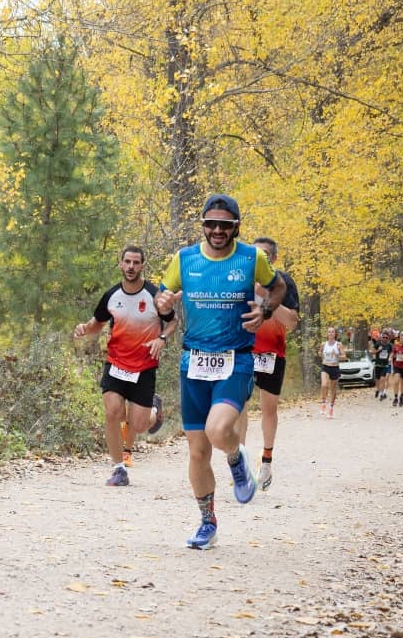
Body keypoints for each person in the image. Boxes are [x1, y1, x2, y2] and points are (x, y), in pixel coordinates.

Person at [155, 194, 287, 549]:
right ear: (203, 226)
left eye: (224, 225)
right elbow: (163, 298)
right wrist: (162, 302)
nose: (217, 230)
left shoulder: (252, 258)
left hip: (236, 359)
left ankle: (235, 457)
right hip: (194, 361)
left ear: (236, 227)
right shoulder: (184, 259)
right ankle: (207, 523)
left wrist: (266, 310)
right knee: (197, 452)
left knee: (217, 430)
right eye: (210, 224)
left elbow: (278, 287)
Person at [74, 247, 177, 486]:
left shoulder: (154, 295)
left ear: (142, 266)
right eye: (127, 262)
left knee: (138, 424)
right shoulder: (111, 295)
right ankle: (118, 468)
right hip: (117, 364)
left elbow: (173, 321)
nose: (131, 266)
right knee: (113, 412)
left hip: (144, 367)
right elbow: (97, 323)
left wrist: (162, 339)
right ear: (120, 264)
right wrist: (84, 329)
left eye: (136, 262)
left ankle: (154, 410)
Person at [235, 237, 300, 491]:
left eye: (264, 254)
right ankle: (240, 464)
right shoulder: (241, 279)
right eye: (255, 254)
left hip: (272, 353)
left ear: (273, 259)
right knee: (239, 406)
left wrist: (267, 298)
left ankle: (266, 461)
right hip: (244, 351)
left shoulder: (284, 282)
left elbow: (292, 322)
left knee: (268, 409)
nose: (258, 258)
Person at [319, 327, 346, 417]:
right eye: (329, 332)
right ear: (327, 334)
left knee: (332, 389)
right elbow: (319, 353)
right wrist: (320, 353)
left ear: (335, 334)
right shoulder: (323, 344)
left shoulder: (339, 344)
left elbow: (344, 357)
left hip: (335, 368)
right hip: (325, 367)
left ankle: (331, 408)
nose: (330, 333)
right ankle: (323, 403)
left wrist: (337, 355)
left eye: (332, 332)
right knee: (324, 385)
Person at [370, 329, 394, 400]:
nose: (385, 338)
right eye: (383, 337)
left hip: (385, 364)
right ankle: (378, 389)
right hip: (378, 364)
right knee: (377, 379)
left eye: (386, 337)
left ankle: (382, 393)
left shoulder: (390, 345)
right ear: (381, 337)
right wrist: (378, 350)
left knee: (382, 379)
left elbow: (392, 352)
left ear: (388, 338)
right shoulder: (378, 343)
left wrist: (390, 357)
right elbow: (372, 352)